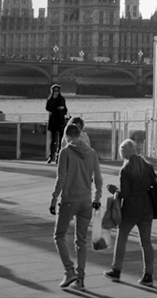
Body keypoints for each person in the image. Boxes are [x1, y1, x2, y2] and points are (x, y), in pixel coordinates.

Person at [50, 122, 102, 290]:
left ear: (67, 136)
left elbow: (61, 178)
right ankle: (80, 279)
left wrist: (53, 198)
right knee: (81, 241)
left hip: (69, 200)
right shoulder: (92, 153)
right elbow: (99, 179)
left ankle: (69, 270)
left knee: (59, 236)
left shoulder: (65, 152)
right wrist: (97, 197)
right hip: (86, 201)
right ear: (79, 135)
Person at [104, 138, 155, 287]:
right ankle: (148, 274)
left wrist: (115, 190)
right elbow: (153, 184)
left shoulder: (126, 170)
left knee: (122, 239)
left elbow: (125, 193)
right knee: (146, 242)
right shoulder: (147, 166)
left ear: (124, 154)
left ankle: (116, 269)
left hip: (131, 210)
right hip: (147, 209)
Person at [46, 84, 69, 164]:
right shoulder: (50, 99)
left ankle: (58, 156)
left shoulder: (61, 99)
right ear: (52, 91)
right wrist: (57, 108)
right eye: (55, 90)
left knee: (60, 140)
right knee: (53, 140)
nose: (56, 92)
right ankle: (51, 156)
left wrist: (62, 109)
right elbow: (48, 108)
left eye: (57, 91)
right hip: (53, 121)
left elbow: (65, 109)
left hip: (60, 121)